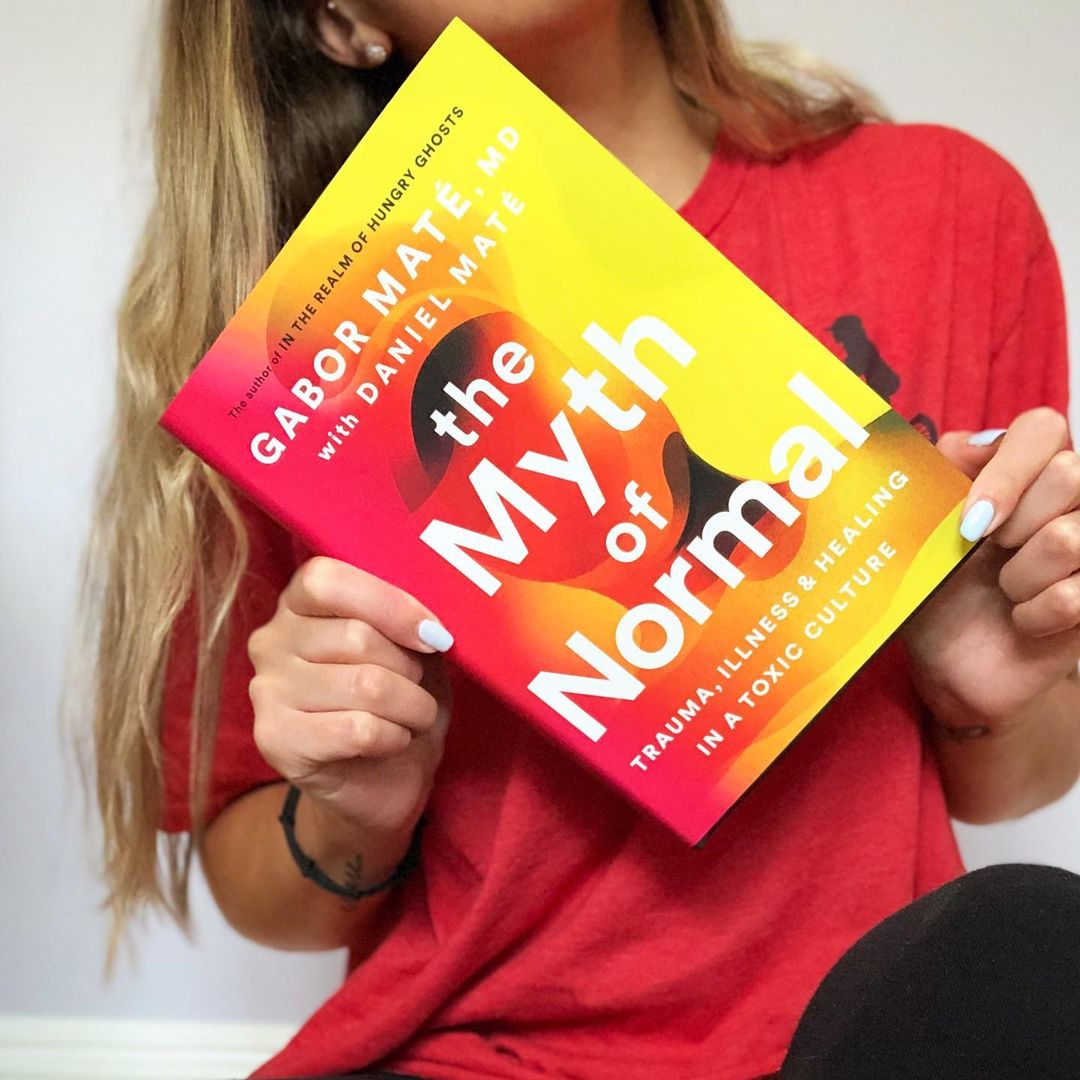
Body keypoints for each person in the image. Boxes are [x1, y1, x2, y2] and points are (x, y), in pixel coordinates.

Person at [82, 1, 1080, 1078]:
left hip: (864, 1034)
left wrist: (983, 692)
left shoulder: (946, 209)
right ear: (342, 19)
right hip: (477, 1055)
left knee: (1031, 938)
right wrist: (352, 812)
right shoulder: (304, 361)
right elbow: (258, 884)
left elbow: (1011, 785)